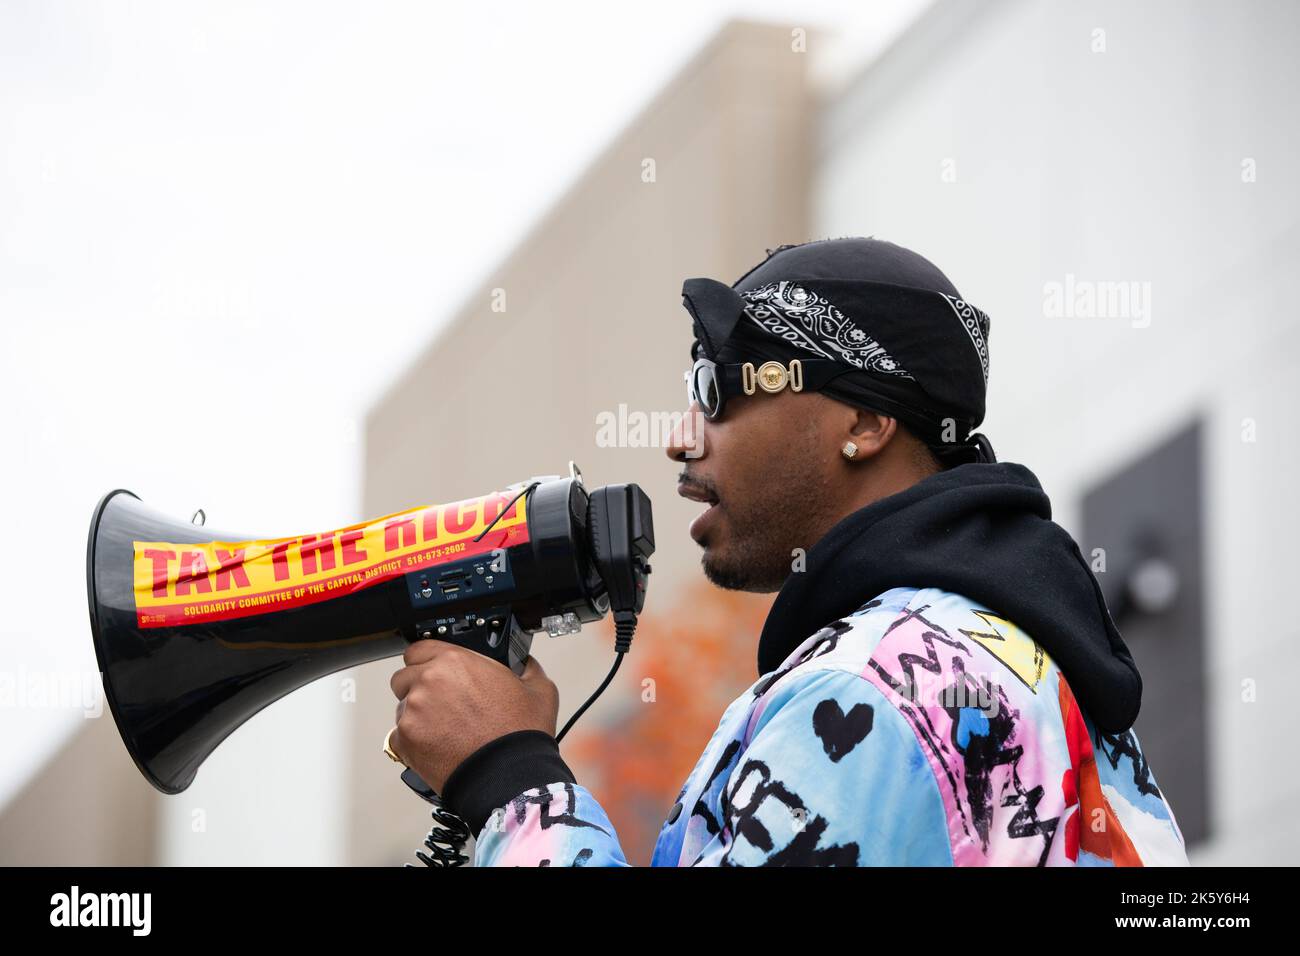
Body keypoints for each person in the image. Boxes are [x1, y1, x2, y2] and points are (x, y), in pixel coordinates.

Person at [388, 237, 1189, 866]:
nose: (679, 438)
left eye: (715, 387)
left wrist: (509, 779)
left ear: (865, 422)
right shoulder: (1033, 669)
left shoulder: (878, 689)